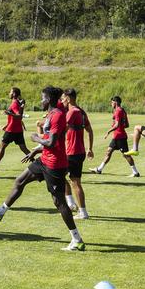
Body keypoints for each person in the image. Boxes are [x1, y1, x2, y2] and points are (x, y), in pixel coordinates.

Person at [0, 86, 86, 252]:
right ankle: (1, 211)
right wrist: (35, 151)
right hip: (45, 159)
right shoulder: (51, 114)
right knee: (20, 181)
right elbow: (49, 142)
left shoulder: (57, 115)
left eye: (42, 98)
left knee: (59, 202)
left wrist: (35, 138)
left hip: (55, 164)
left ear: (48, 99)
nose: (40, 100)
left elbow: (52, 142)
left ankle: (77, 239)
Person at [62, 88, 93, 220]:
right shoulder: (81, 111)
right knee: (63, 177)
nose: (62, 101)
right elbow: (89, 130)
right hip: (79, 151)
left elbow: (61, 129)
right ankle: (72, 205)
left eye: (63, 98)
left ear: (68, 99)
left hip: (72, 151)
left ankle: (80, 210)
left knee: (73, 182)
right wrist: (89, 148)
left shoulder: (71, 112)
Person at [89, 96, 139, 177]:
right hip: (117, 136)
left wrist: (108, 131)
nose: (111, 104)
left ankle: (135, 172)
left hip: (120, 137)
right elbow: (126, 125)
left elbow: (117, 125)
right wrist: (119, 126)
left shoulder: (118, 111)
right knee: (108, 151)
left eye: (112, 102)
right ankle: (99, 169)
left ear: (115, 102)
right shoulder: (122, 110)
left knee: (126, 154)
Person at [0, 87, 30, 171]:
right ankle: (36, 163)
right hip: (18, 129)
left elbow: (19, 116)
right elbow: (17, 116)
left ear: (14, 94)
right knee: (24, 148)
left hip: (12, 130)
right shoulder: (18, 103)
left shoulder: (14, 103)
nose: (9, 93)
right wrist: (7, 124)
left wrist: (9, 113)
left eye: (10, 92)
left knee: (2, 146)